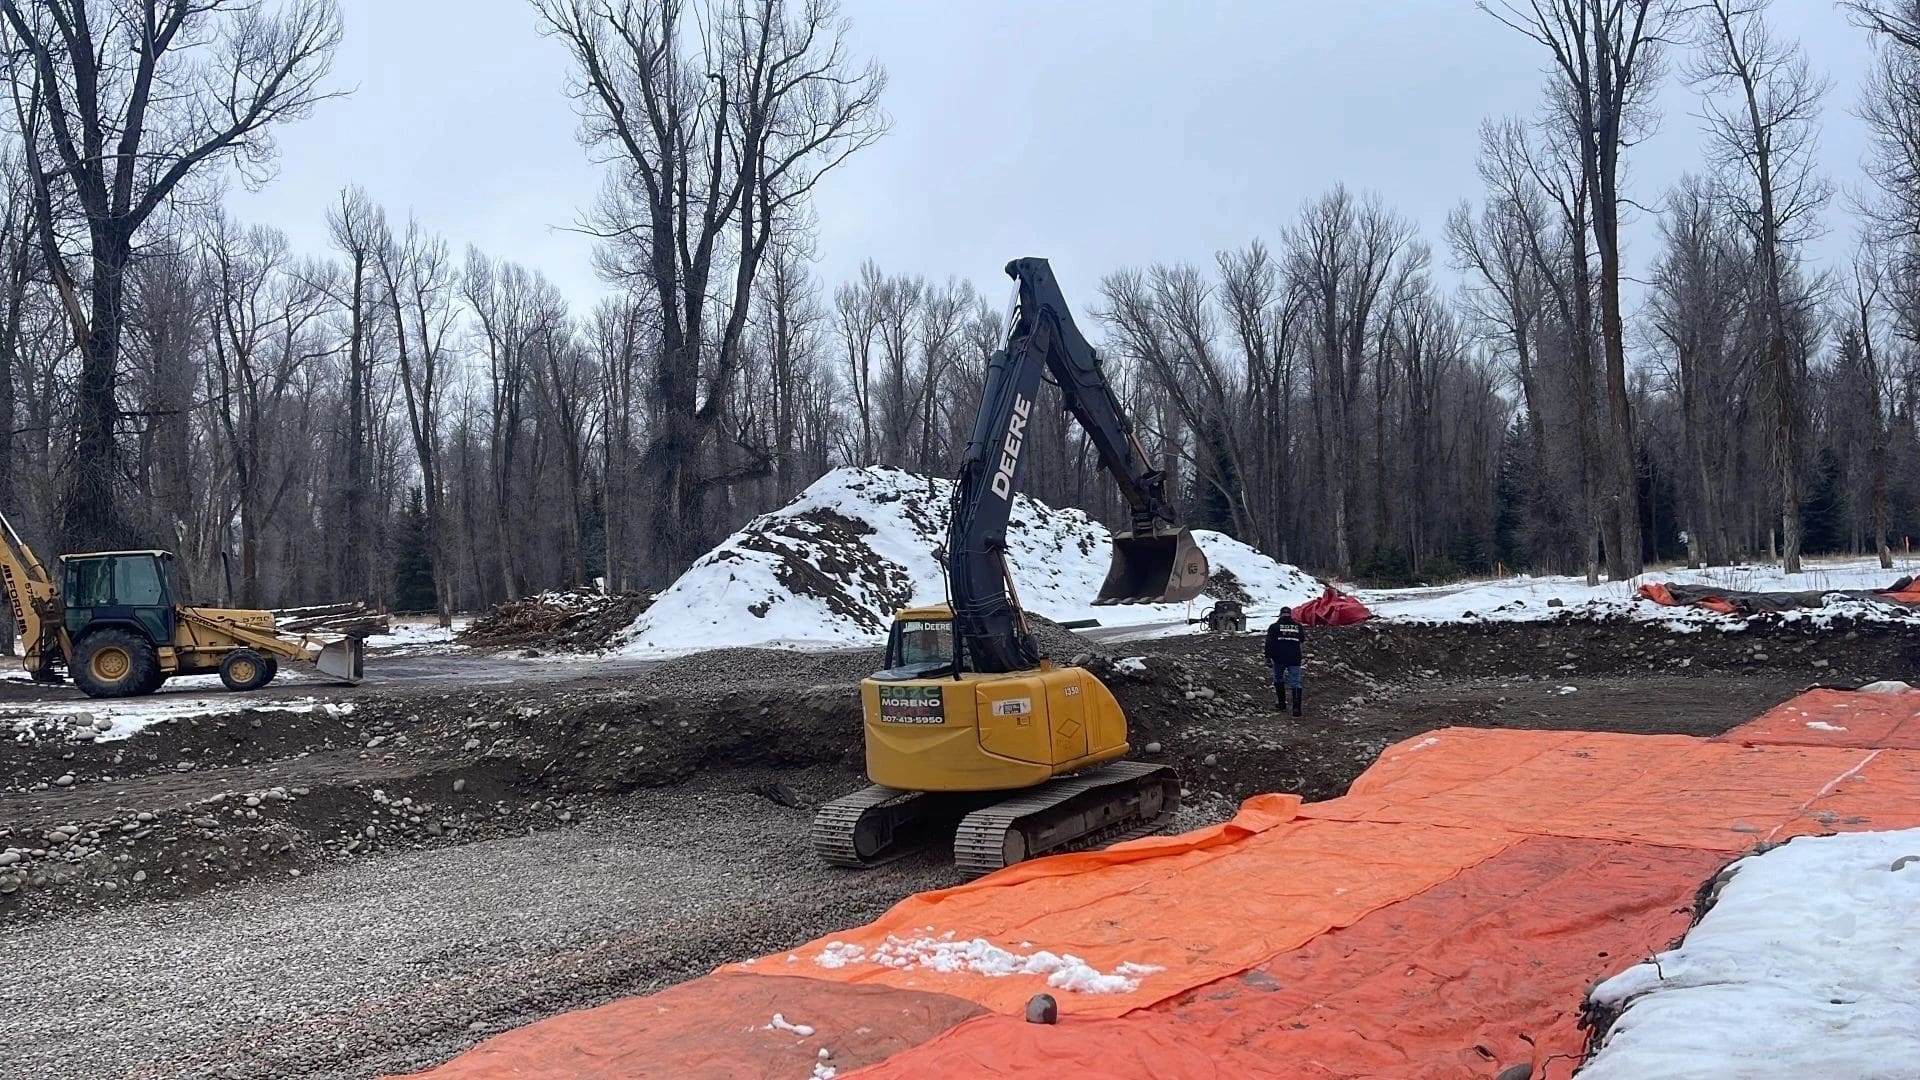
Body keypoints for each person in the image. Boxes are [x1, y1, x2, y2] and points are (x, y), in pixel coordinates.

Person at [1264, 607, 1305, 716]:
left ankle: (1282, 704)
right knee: (1296, 682)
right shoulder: (1298, 626)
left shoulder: (1274, 627)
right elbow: (1302, 639)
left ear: (1280, 614)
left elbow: (1269, 643)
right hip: (1295, 658)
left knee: (1278, 678)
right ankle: (1296, 708)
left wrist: (1268, 657)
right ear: (1290, 615)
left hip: (1279, 658)